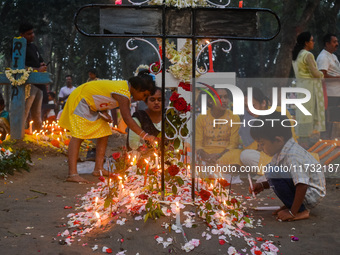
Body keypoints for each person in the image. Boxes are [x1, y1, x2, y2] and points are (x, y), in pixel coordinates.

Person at [59, 76, 156, 183]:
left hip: (90, 103)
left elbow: (102, 94)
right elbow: (128, 119)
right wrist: (145, 135)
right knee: (78, 135)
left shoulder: (124, 89)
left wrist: (104, 112)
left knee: (104, 132)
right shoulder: (123, 93)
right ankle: (72, 174)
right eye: (144, 95)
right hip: (80, 99)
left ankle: (98, 169)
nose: (143, 98)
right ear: (137, 88)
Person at [249, 112, 326, 221]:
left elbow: (302, 184)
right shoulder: (281, 151)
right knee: (271, 170)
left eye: (262, 144)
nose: (260, 148)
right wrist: (262, 185)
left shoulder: (293, 156)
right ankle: (294, 206)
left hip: (310, 194)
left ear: (278, 140)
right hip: (304, 190)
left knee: (272, 171)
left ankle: (300, 211)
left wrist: (292, 212)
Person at [239, 87, 297, 177]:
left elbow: (289, 139)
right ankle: (272, 173)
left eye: (252, 105)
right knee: (245, 155)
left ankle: (272, 173)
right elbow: (256, 145)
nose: (249, 110)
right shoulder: (253, 120)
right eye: (246, 106)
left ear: (263, 103)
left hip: (284, 154)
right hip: (267, 155)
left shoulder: (280, 112)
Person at [292, 31, 325, 140]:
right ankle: (309, 140)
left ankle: (302, 138)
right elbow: (315, 74)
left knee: (303, 114)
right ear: (306, 43)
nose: (313, 42)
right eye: (312, 40)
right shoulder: (308, 55)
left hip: (301, 86)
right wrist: (322, 74)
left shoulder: (296, 55)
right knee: (310, 114)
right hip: (310, 87)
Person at [196, 87, 242, 166]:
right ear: (210, 101)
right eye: (219, 97)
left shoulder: (234, 117)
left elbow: (233, 144)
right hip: (205, 153)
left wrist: (218, 156)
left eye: (226, 97)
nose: (224, 100)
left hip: (226, 154)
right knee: (189, 151)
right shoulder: (202, 117)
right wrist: (206, 156)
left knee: (238, 153)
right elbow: (198, 143)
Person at [19, 22, 47, 131]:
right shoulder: (19, 47)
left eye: (33, 32)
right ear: (22, 35)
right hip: (27, 85)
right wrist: (37, 70)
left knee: (37, 114)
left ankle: (38, 137)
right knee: (24, 112)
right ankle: (18, 138)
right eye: (29, 34)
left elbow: (39, 61)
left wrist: (42, 65)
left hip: (38, 84)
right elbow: (19, 68)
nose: (32, 35)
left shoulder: (34, 47)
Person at [316, 33, 340, 138]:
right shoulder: (323, 57)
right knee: (329, 119)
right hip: (329, 94)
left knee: (335, 119)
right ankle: (326, 141)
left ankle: (334, 140)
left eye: (337, 42)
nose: (337, 44)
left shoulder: (333, 56)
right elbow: (322, 76)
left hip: (336, 93)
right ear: (327, 44)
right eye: (334, 42)